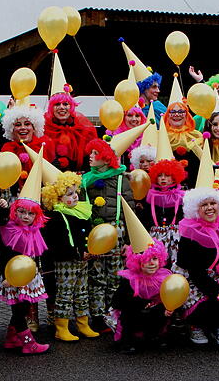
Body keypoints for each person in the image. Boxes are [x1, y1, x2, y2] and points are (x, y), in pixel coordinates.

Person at [172, 145, 219, 346]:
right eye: (204, 205)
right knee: (213, 295)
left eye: (213, 204)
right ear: (196, 208)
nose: (210, 208)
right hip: (195, 278)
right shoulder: (190, 231)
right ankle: (197, 325)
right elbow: (195, 272)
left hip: (216, 274)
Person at [82, 135, 138, 332]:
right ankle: (97, 316)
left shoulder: (122, 179)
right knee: (96, 276)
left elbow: (129, 210)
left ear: (106, 158)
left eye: (95, 153)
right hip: (95, 233)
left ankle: (112, 313)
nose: (91, 156)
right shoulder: (86, 180)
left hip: (116, 230)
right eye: (91, 152)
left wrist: (129, 241)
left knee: (115, 276)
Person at [0, 151, 50, 354]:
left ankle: (11, 338)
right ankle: (28, 343)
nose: (25, 217)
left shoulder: (34, 231)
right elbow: (5, 255)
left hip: (28, 276)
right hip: (13, 277)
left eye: (30, 214)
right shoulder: (9, 229)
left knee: (24, 307)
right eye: (21, 212)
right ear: (14, 211)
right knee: (19, 310)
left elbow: (35, 254)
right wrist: (7, 277)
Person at [41, 171, 99, 342]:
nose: (75, 197)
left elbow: (87, 235)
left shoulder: (80, 212)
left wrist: (89, 250)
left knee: (82, 292)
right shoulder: (55, 217)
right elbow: (59, 243)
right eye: (69, 194)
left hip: (82, 260)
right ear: (58, 199)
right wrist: (78, 253)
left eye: (75, 192)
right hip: (65, 261)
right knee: (65, 293)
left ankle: (83, 324)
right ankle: (62, 327)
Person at [110, 199, 173, 354]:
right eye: (145, 260)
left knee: (161, 310)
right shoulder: (129, 279)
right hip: (133, 315)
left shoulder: (163, 277)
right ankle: (128, 339)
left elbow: (170, 297)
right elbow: (117, 302)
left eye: (154, 259)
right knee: (130, 314)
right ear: (137, 262)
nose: (151, 263)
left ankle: (155, 335)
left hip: (152, 314)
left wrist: (168, 308)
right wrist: (139, 303)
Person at [139, 158, 186, 266]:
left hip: (176, 236)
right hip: (155, 236)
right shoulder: (150, 196)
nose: (163, 178)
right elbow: (146, 218)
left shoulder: (181, 197)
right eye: (160, 175)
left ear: (174, 177)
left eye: (167, 175)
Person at [44, 88, 97, 172]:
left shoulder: (83, 127)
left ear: (71, 107)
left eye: (65, 104)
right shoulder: (43, 128)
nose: (61, 107)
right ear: (51, 108)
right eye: (57, 104)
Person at [0, 105, 55, 175]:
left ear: (34, 128)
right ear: (12, 129)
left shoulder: (44, 147)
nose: (23, 127)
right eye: (18, 125)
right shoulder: (7, 150)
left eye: (27, 124)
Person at [120, 38, 166, 121]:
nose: (158, 90)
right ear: (143, 88)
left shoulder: (159, 108)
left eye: (158, 87)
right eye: (154, 87)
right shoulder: (129, 111)